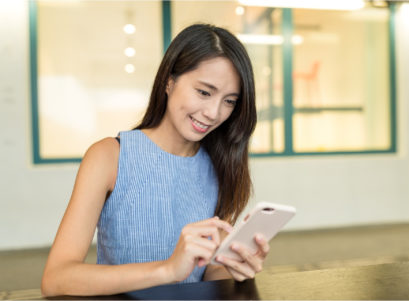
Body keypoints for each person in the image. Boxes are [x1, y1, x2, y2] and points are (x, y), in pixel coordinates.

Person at [41, 23, 270, 297]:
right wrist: (168, 270)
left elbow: (206, 268)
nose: (213, 112)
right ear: (169, 81)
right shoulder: (108, 157)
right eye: (204, 92)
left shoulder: (220, 165)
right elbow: (57, 278)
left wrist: (230, 268)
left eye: (229, 101)